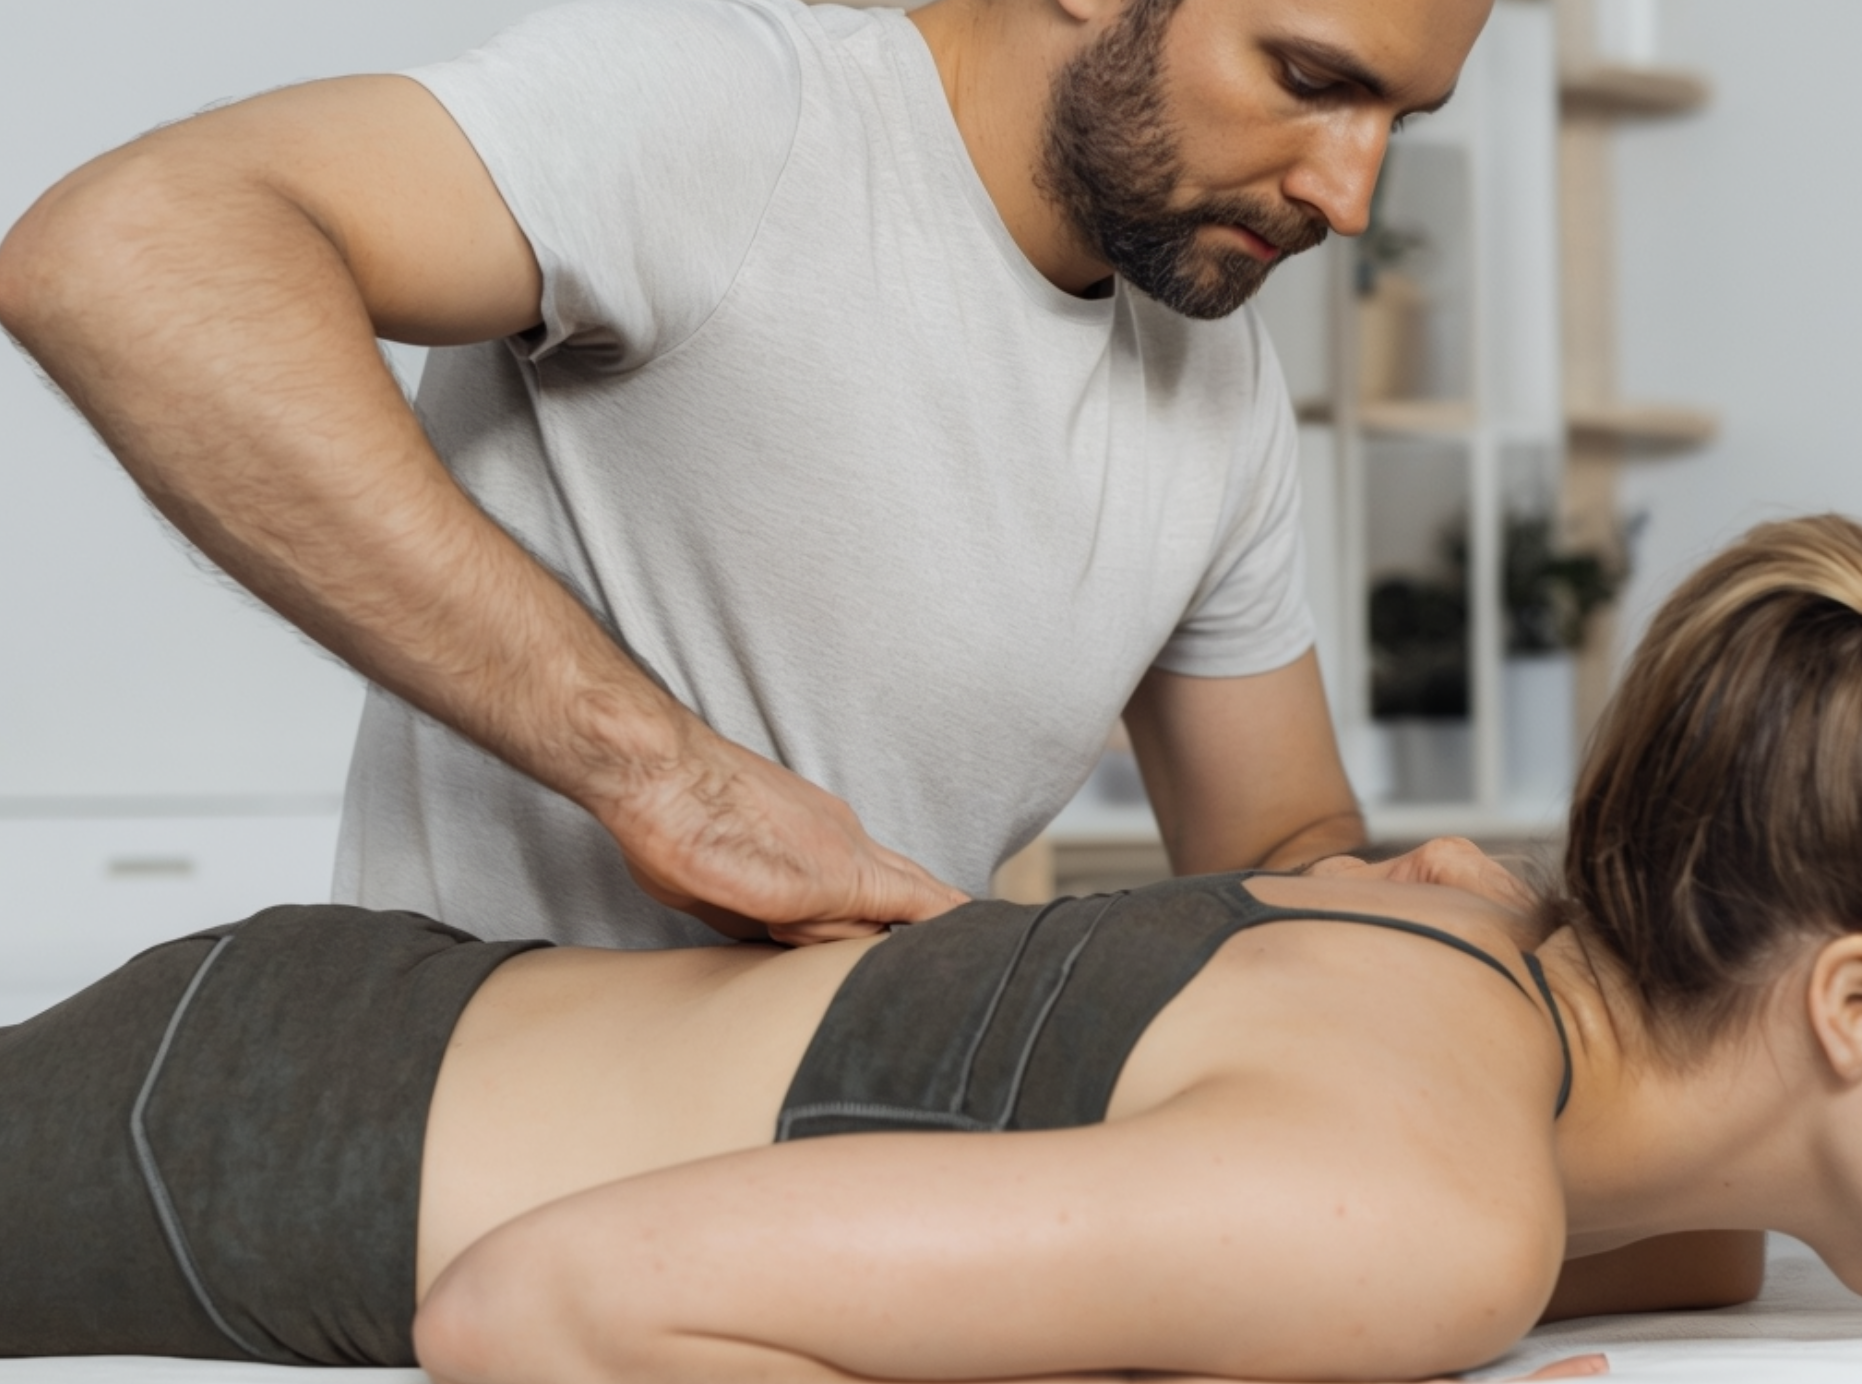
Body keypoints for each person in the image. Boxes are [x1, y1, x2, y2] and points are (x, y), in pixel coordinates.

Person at [0, 0, 1573, 949]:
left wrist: (1407, 919)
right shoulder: (735, 114)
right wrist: (658, 773)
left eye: (1397, 123)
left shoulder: (1208, 378)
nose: (1348, 196)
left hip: (843, 1165)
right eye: (1309, 77)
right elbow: (126, 250)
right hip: (486, 1139)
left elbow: (1270, 835)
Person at [9, 514, 1862, 1381]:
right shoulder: (1437, 1206)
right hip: (218, 1165)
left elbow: (1678, 1235)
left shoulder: (1491, 989)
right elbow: (542, 1309)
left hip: (306, 1022)